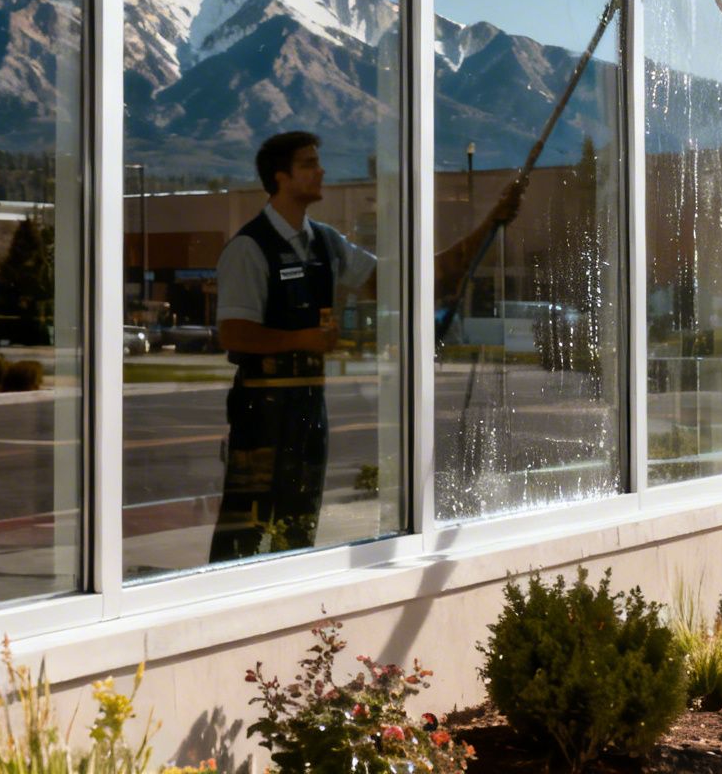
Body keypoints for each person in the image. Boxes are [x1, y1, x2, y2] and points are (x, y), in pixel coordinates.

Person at [210, 130, 521, 561]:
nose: (321, 171)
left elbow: (406, 282)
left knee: (299, 528)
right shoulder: (249, 247)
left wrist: (489, 225)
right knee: (245, 531)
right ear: (280, 177)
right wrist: (303, 339)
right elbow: (234, 333)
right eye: (308, 164)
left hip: (307, 405)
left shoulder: (326, 243)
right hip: (261, 410)